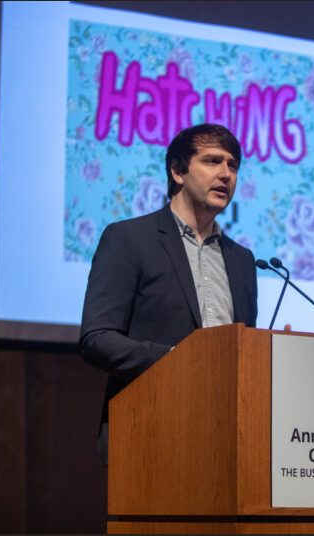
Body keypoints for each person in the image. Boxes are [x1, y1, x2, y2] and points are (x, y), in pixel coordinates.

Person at [80, 123, 258, 463]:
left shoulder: (242, 260)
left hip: (225, 440)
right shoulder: (130, 240)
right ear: (178, 171)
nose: (225, 174)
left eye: (232, 165)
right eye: (212, 161)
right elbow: (97, 338)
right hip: (151, 431)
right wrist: (179, 360)